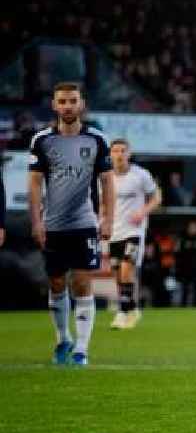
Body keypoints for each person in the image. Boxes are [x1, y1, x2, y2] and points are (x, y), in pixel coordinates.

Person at [29, 81, 115, 365]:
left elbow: (107, 182)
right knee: (55, 283)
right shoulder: (41, 140)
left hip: (85, 222)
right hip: (52, 225)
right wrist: (36, 221)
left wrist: (108, 219)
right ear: (54, 105)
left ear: (82, 104)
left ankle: (81, 349)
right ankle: (62, 340)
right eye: (62, 101)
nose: (68, 106)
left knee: (81, 281)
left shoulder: (97, 140)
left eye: (73, 101)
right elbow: (34, 183)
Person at [108, 138, 161, 329]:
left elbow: (157, 197)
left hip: (134, 230)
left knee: (126, 267)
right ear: (110, 154)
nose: (120, 155)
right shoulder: (105, 177)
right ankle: (132, 308)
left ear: (129, 154)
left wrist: (143, 212)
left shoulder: (140, 175)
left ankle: (121, 313)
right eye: (116, 151)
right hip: (114, 231)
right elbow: (101, 203)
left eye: (123, 151)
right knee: (117, 274)